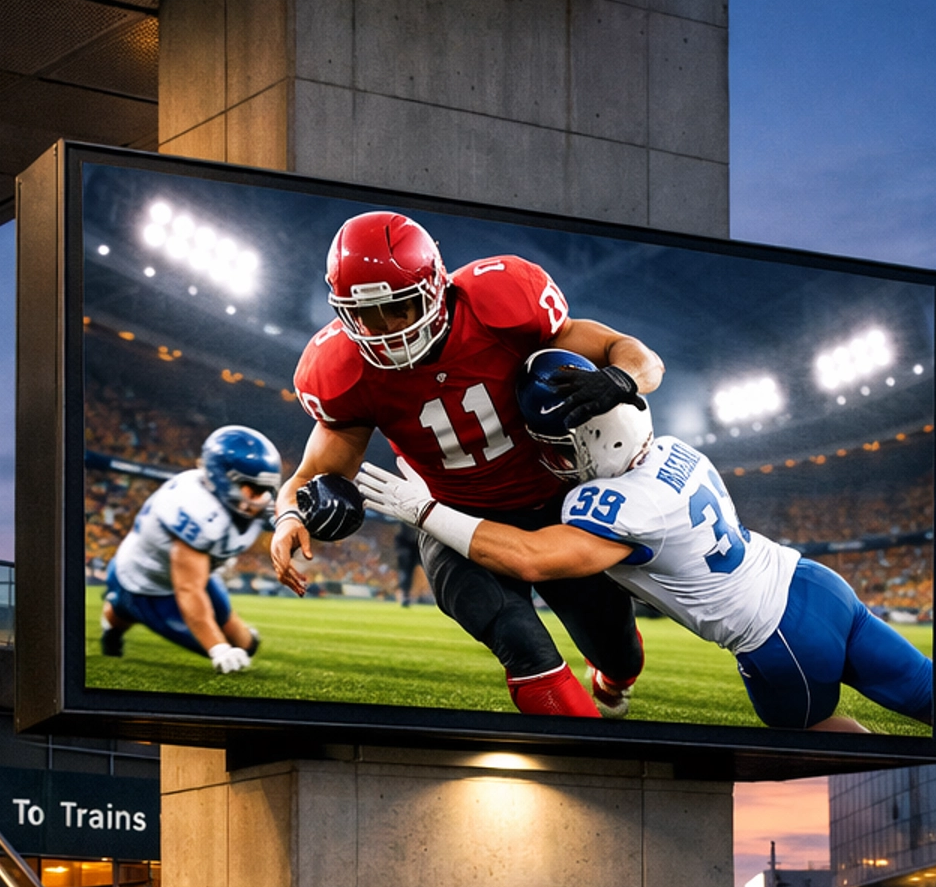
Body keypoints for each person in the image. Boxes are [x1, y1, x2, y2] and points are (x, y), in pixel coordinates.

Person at [359, 349, 933, 734]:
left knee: (824, 738)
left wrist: (426, 510)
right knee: (933, 698)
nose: (552, 460)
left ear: (593, 440)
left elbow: (528, 560)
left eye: (558, 447)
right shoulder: (675, 449)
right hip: (816, 585)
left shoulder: (613, 504)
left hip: (777, 640)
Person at [274, 210, 660, 717]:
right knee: (523, 646)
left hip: (555, 507)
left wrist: (618, 379)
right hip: (453, 521)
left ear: (435, 288)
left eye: (400, 308)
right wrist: (288, 516)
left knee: (618, 650)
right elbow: (310, 477)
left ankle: (611, 677)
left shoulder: (502, 302)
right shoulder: (340, 369)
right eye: (367, 316)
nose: (387, 331)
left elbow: (626, 351)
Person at [101, 426, 279, 671]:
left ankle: (120, 606)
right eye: (254, 488)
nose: (261, 499)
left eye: (266, 489)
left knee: (247, 645)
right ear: (222, 478)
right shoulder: (196, 508)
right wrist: (218, 648)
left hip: (196, 572)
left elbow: (280, 514)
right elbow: (188, 590)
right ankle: (118, 611)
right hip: (150, 585)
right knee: (224, 645)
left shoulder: (224, 495)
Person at [393, 520, 422, 606]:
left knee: (406, 572)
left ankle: (406, 595)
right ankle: (405, 595)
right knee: (405, 572)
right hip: (410, 546)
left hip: (416, 545)